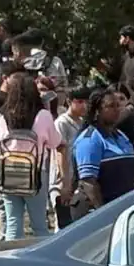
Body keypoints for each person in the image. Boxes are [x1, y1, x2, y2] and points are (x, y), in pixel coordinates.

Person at [0, 73, 63, 240]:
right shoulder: (43, 115)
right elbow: (55, 142)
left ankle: (11, 261)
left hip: (8, 172)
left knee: (13, 222)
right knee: (39, 225)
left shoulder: (2, 114)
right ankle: (41, 261)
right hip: (36, 173)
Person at [72, 87, 134, 215]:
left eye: (118, 105)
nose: (117, 110)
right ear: (97, 111)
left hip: (121, 209)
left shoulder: (121, 136)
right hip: (95, 212)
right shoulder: (90, 140)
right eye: (111, 106)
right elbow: (89, 183)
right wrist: (104, 214)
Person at [52, 86, 88, 228]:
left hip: (77, 179)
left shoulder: (82, 123)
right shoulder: (62, 123)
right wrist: (65, 184)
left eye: (86, 101)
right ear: (69, 101)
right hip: (63, 178)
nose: (83, 105)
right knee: (62, 223)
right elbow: (60, 153)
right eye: (79, 101)